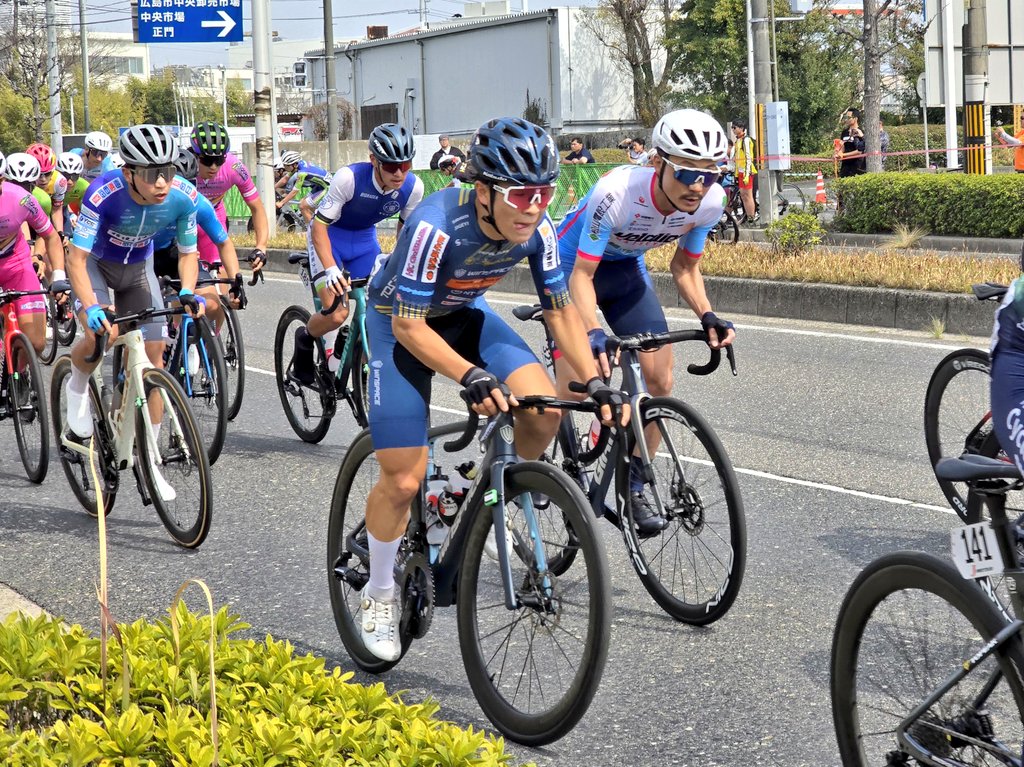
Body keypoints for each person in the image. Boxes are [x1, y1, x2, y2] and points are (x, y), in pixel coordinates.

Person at [357, 116, 628, 661]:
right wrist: (470, 375)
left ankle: (470, 491)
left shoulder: (541, 228)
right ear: (482, 191)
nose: (534, 205)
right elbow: (411, 327)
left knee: (544, 414)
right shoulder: (435, 227)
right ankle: (379, 590)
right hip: (397, 325)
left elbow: (561, 314)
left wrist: (596, 385)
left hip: (463, 314)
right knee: (405, 478)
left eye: (545, 192)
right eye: (521, 193)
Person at [554, 108, 735, 535]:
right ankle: (545, 466)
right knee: (580, 382)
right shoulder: (616, 192)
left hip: (625, 272)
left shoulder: (710, 202)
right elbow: (582, 276)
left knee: (659, 384)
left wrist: (706, 315)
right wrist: (593, 331)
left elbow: (685, 268)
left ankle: (635, 483)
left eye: (709, 175)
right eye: (688, 173)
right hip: (570, 268)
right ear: (658, 163)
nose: (698, 186)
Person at [63, 124, 206, 495]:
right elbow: (76, 259)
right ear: (128, 173)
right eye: (150, 174)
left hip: (139, 270)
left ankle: (150, 460)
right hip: (96, 264)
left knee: (154, 360)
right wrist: (92, 307)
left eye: (168, 172)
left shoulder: (183, 197)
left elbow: (189, 254)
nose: (161, 183)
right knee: (102, 333)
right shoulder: (102, 193)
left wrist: (189, 290)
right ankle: (77, 387)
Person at [289, 123, 424, 384]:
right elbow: (319, 228)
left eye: (405, 165)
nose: (399, 173)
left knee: (380, 309)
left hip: (364, 241)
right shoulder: (349, 178)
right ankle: (305, 338)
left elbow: (404, 235)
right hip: (330, 238)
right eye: (390, 166)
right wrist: (330, 269)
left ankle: (353, 355)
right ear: (374, 160)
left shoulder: (413, 188)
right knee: (338, 313)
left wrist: (395, 263)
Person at [152, 149, 247, 322]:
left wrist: (235, 282)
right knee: (146, 327)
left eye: (191, 184)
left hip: (172, 252)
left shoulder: (199, 203)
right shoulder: (146, 201)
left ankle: (210, 345)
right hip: (141, 255)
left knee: (211, 304)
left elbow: (223, 242)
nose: (184, 192)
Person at [189, 122, 268, 294]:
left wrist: (261, 246)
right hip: (184, 219)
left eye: (219, 160)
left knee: (222, 276)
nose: (213, 167)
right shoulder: (182, 167)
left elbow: (256, 208)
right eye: (207, 160)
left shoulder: (234, 167)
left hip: (213, 216)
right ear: (194, 154)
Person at [0, 151, 67, 355]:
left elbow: (51, 237)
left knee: (36, 344)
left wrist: (58, 276)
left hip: (16, 264)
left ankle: (20, 381)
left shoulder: (22, 199)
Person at [26, 143, 68, 236]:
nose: (43, 179)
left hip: (45, 216)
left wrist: (60, 233)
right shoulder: (23, 182)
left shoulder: (59, 181)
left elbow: (56, 210)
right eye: (39, 174)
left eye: (48, 174)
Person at [730, 118, 757, 222]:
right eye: (732, 127)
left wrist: (746, 174)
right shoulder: (738, 140)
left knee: (748, 196)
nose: (733, 129)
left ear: (741, 128)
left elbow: (748, 157)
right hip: (740, 172)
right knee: (743, 196)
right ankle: (748, 217)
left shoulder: (746, 140)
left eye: (734, 127)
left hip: (747, 172)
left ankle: (751, 219)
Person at [837, 109, 866, 177]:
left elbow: (859, 151)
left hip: (858, 167)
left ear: (855, 119)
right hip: (845, 166)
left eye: (849, 117)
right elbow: (842, 147)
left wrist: (843, 155)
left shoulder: (861, 132)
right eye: (846, 117)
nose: (846, 119)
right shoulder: (844, 132)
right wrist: (838, 153)